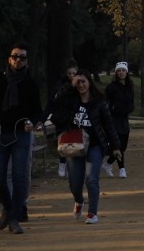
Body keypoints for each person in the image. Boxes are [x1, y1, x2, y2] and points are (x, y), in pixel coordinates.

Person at [0, 41, 43, 234]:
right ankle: (7, 207)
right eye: (15, 56)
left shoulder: (30, 83)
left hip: (21, 135)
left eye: (22, 57)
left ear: (27, 62)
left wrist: (32, 122)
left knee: (19, 177)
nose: (18, 60)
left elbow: (38, 111)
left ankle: (14, 218)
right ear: (9, 59)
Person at [48, 69, 122, 224]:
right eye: (77, 82)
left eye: (83, 81)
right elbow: (56, 103)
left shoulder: (99, 102)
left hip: (95, 145)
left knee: (91, 179)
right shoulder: (70, 100)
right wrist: (70, 86)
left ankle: (92, 213)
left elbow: (109, 125)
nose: (81, 85)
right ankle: (79, 201)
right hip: (74, 144)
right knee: (75, 182)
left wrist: (115, 146)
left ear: (89, 83)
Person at [45, 59, 79, 178]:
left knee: (72, 142)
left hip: (73, 117)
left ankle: (70, 166)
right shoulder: (62, 84)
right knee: (62, 142)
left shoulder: (80, 84)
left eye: (73, 73)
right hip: (61, 116)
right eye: (69, 73)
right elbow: (55, 98)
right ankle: (62, 163)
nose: (71, 76)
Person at [104, 61, 135, 179]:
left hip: (124, 119)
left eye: (123, 70)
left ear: (126, 72)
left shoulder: (130, 86)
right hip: (113, 119)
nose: (121, 72)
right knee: (117, 143)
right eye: (119, 70)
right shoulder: (111, 87)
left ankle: (107, 163)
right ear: (116, 73)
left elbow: (131, 102)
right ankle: (122, 168)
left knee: (123, 146)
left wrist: (130, 108)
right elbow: (105, 102)